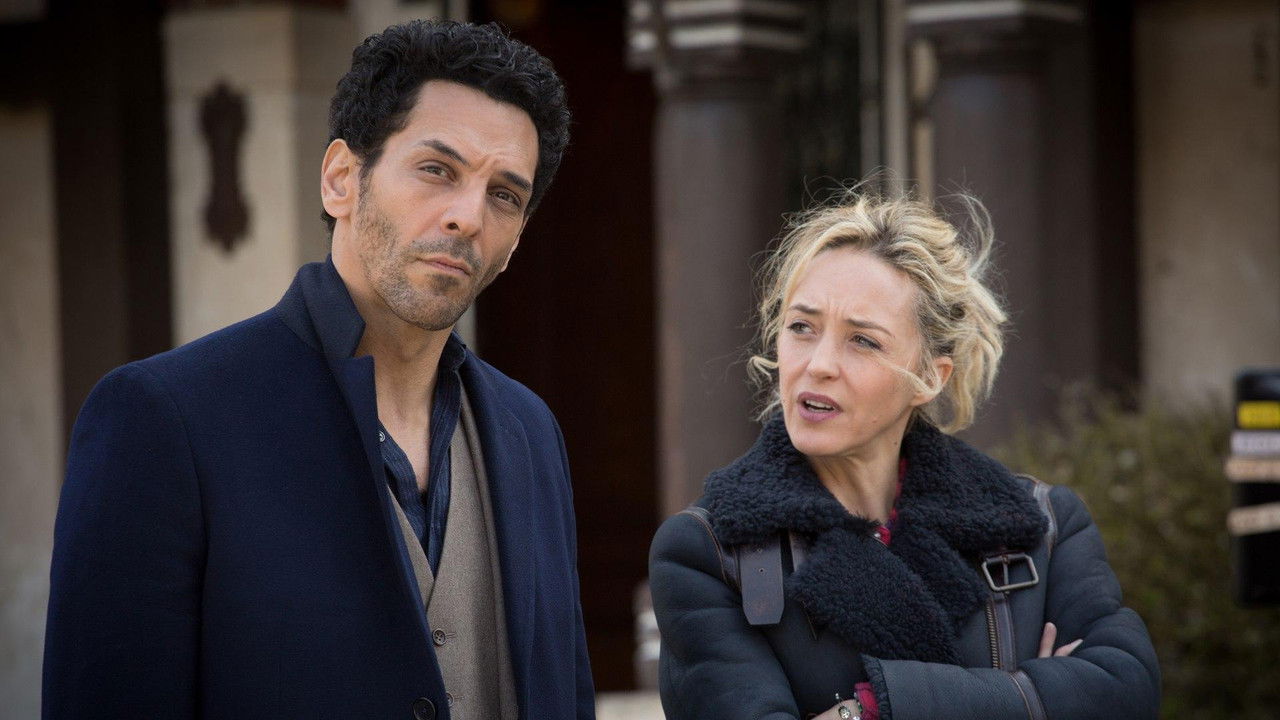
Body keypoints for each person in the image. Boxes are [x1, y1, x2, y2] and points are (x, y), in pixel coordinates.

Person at [44, 20, 593, 720]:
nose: (468, 217)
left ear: (515, 242)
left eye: (504, 196)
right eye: (436, 170)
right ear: (341, 179)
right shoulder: (163, 419)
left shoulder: (530, 432)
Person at [649, 193, 1160, 720]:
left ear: (930, 377)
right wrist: (1030, 695)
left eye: (862, 341)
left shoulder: (1041, 527)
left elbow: (1125, 692)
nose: (818, 364)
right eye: (801, 327)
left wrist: (871, 708)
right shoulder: (711, 553)